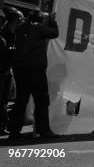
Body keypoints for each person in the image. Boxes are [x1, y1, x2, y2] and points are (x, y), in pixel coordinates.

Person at [8, 10, 59, 139]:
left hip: (21, 70)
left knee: (21, 100)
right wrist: (52, 20)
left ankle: (14, 130)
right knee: (41, 100)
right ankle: (43, 130)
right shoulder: (39, 29)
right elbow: (54, 33)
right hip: (36, 70)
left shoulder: (20, 29)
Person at [0, 7, 23, 136]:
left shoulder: (15, 34)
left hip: (8, 71)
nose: (21, 21)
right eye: (19, 19)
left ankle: (2, 125)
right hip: (2, 71)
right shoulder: (4, 34)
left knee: (4, 100)